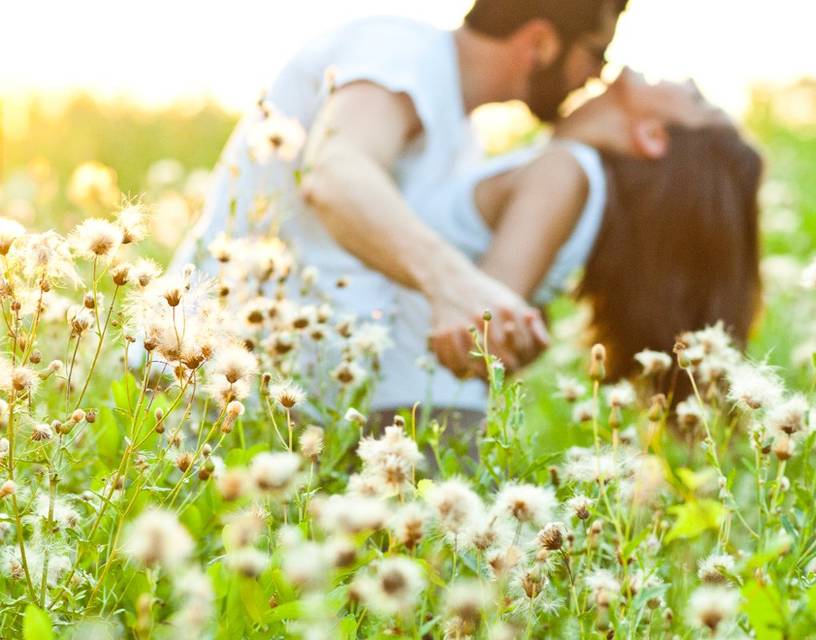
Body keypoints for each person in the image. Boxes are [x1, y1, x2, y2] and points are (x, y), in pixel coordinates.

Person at [173, 0, 628, 380]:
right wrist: (454, 283)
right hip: (200, 374)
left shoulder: (464, 139)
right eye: (597, 54)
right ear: (541, 43)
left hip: (297, 404)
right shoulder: (401, 51)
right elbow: (337, 174)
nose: (596, 77)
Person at [372, 70, 763, 423]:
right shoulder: (576, 180)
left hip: (413, 419)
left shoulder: (563, 171)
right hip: (416, 411)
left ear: (652, 135)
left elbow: (481, 324)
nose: (691, 80)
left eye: (697, 101)